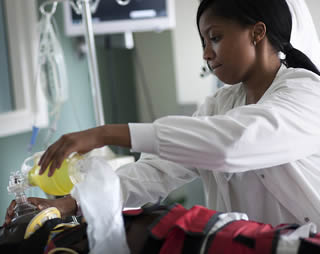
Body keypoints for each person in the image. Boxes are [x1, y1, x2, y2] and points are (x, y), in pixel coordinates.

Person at [5, 0, 320, 230]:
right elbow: (155, 172)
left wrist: (105, 133)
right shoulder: (219, 105)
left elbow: (232, 145)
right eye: (203, 41)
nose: (206, 53)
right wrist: (67, 203)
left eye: (215, 37)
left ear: (257, 32)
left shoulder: (306, 92)